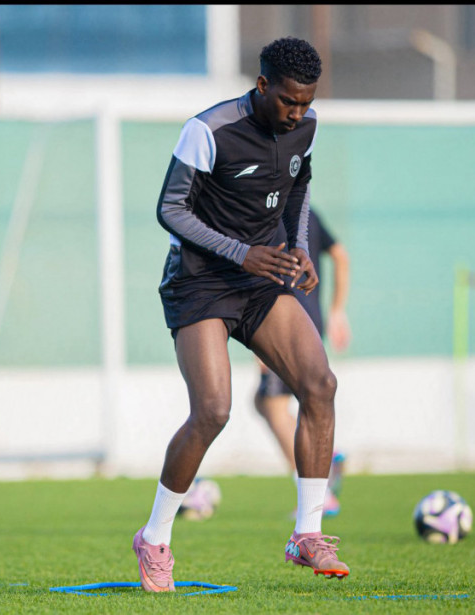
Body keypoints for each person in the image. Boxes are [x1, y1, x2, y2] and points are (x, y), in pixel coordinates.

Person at [131, 37, 351, 592]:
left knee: (320, 384)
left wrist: (298, 246)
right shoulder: (208, 130)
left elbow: (299, 186)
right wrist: (240, 252)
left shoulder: (306, 124)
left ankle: (307, 534)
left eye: (306, 102)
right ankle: (154, 537)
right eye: (288, 101)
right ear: (262, 85)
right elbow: (170, 209)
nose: (297, 113)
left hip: (260, 280)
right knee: (213, 410)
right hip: (199, 282)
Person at [253, 208, 351, 517]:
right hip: (308, 323)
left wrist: (258, 341)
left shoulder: (267, 214)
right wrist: (336, 311)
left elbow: (258, 272)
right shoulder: (308, 213)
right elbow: (341, 256)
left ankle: (319, 490)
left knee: (274, 407)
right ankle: (325, 458)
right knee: (263, 402)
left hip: (283, 323)